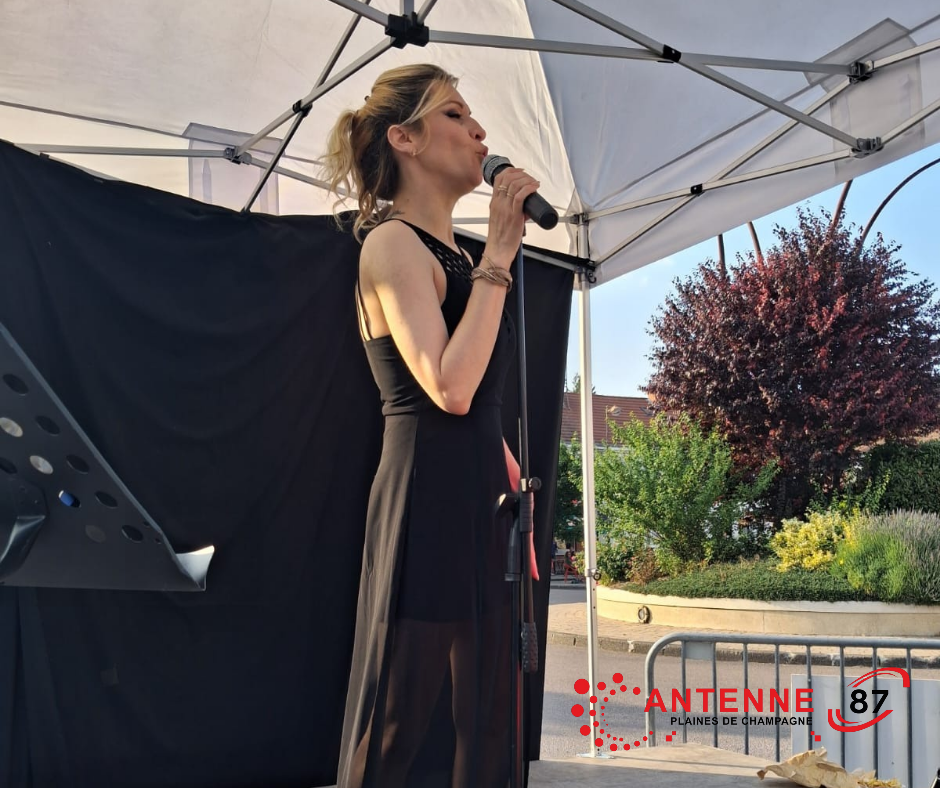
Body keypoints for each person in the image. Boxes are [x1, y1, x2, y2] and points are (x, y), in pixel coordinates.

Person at [323, 64, 541, 788]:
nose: (479, 131)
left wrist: (508, 475)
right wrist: (500, 256)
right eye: (455, 114)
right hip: (425, 497)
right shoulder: (391, 245)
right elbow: (447, 388)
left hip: (483, 499)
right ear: (405, 139)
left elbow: (480, 400)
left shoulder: (466, 260)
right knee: (398, 719)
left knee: (492, 719)